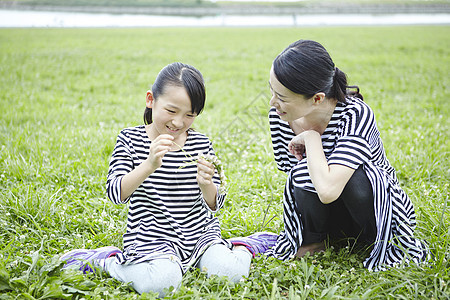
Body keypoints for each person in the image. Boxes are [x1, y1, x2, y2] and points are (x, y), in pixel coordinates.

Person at [60, 62, 277, 297]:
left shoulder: (201, 144)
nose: (178, 123)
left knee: (230, 273)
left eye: (190, 115)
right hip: (151, 239)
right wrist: (149, 164)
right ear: (151, 100)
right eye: (171, 111)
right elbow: (115, 193)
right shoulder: (130, 140)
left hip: (200, 236)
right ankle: (107, 261)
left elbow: (216, 203)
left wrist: (207, 185)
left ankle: (245, 247)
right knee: (161, 285)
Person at [262, 40, 429, 271]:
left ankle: (376, 241)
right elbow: (295, 177)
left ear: (317, 98)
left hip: (372, 210)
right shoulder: (280, 116)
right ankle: (315, 240)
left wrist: (311, 139)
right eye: (272, 91)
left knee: (354, 175)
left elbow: (330, 190)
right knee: (302, 172)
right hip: (327, 214)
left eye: (281, 97)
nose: (273, 103)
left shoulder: (355, 114)